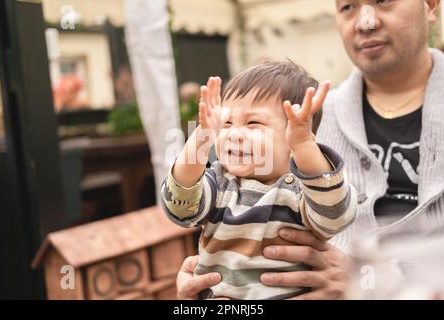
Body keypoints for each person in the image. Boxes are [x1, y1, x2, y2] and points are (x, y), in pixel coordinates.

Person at [176, 0, 444, 300]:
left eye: (382, 1)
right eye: (347, 8)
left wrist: (369, 280)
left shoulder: (301, 134)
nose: (365, 22)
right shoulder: (304, 117)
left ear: (431, 6)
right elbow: (188, 204)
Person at [161, 61, 357, 299]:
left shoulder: (303, 193)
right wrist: (200, 138)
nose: (234, 134)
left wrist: (306, 148)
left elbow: (335, 215)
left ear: (294, 138)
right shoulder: (220, 184)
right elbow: (180, 206)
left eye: (253, 123)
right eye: (226, 123)